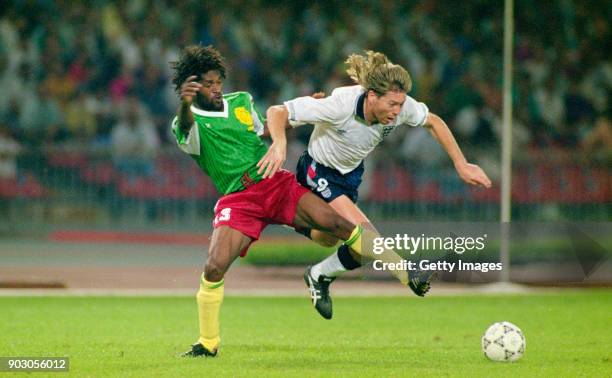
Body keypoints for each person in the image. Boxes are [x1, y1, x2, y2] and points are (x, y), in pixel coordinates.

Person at [169, 46, 422, 358]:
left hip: (276, 183)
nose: (217, 88)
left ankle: (400, 271)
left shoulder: (241, 101)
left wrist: (300, 115)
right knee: (214, 266)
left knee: (338, 225)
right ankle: (207, 344)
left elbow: (264, 127)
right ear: (191, 88)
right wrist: (184, 105)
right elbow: (185, 129)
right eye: (208, 84)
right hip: (239, 198)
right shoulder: (186, 121)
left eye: (218, 80)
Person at [262, 51, 491, 319]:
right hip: (317, 169)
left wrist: (461, 164)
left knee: (344, 244)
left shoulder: (400, 107)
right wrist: (280, 143)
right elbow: (277, 111)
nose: (397, 112)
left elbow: (434, 122)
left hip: (349, 176)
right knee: (364, 234)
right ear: (372, 96)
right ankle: (409, 275)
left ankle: (318, 273)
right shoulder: (339, 105)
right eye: (392, 105)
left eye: (401, 104)